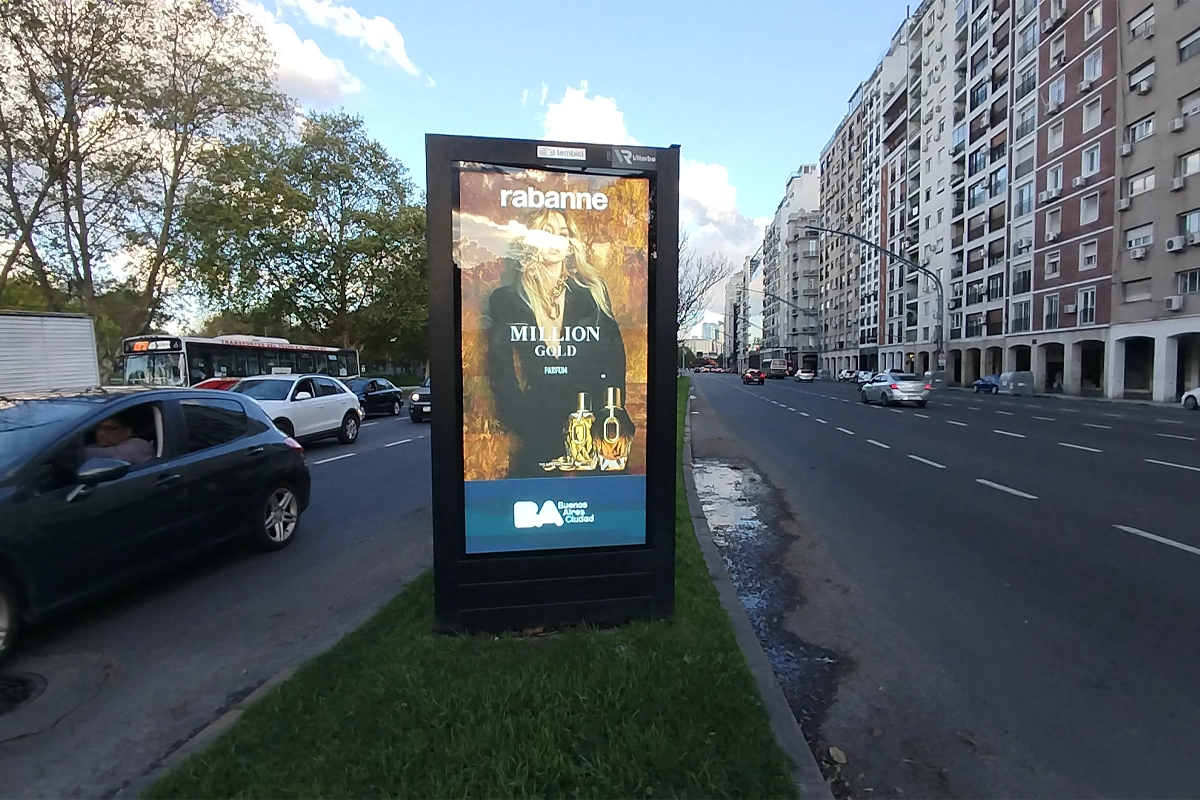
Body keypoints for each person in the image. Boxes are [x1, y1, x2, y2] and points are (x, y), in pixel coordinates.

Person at [484, 206, 632, 478]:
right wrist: (521, 419)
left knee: (604, 500)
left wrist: (610, 413)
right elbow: (500, 368)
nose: (554, 241)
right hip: (537, 423)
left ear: (569, 244)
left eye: (562, 234)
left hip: (592, 421)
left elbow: (614, 359)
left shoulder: (592, 293)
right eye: (546, 232)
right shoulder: (507, 299)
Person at [84, 412, 155, 466]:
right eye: (99, 428)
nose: (101, 433)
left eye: (109, 429)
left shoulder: (138, 446)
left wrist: (79, 454)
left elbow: (110, 454)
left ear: (127, 432)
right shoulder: (96, 446)